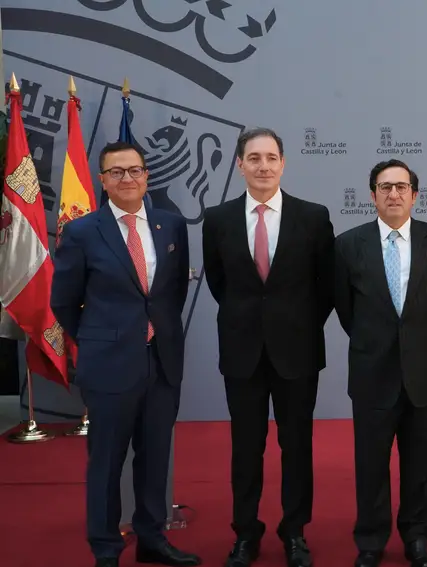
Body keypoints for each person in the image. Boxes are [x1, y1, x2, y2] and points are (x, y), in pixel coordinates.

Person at [51, 141, 201, 567]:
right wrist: (101, 340)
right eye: (116, 172)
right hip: (109, 366)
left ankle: (153, 539)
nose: (127, 179)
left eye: (135, 170)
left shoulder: (170, 225)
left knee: (155, 458)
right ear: (102, 180)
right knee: (107, 462)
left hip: (162, 362)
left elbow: (170, 293)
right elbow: (64, 301)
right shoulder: (82, 231)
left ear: (147, 176)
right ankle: (106, 548)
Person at [202, 128, 336, 567]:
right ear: (239, 164)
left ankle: (294, 532)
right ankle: (245, 532)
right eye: (254, 158)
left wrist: (292, 324)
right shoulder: (218, 218)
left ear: (283, 164)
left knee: (297, 446)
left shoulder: (313, 216)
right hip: (241, 352)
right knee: (246, 447)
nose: (263, 166)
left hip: (296, 352)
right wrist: (253, 322)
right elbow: (220, 283)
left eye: (271, 157)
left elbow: (326, 287)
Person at [334, 159, 427, 567]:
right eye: (385, 187)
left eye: (402, 187)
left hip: (423, 372)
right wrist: (377, 343)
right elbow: (347, 310)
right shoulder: (348, 244)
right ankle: (371, 540)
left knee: (422, 464)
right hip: (371, 373)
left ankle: (418, 537)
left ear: (415, 195)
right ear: (372, 196)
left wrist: (417, 345)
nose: (393, 194)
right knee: (370, 464)